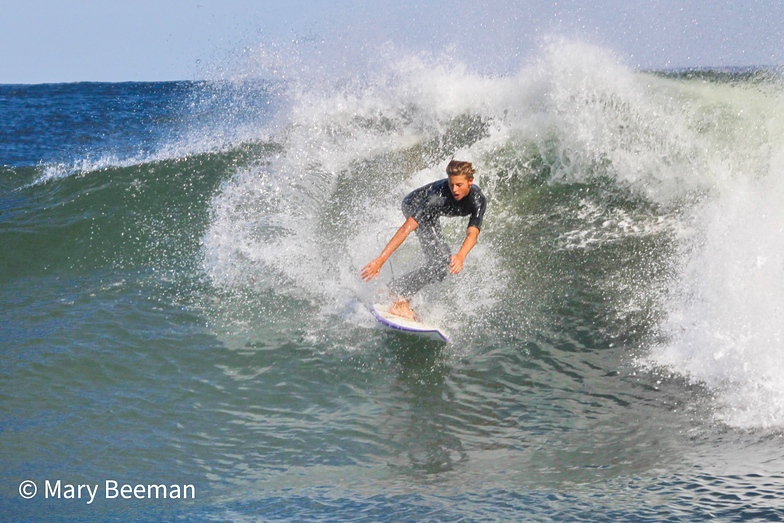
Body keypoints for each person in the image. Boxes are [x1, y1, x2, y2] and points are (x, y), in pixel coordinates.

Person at [360, 160, 486, 320]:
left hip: (431, 213)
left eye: (459, 185)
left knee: (440, 268)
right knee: (440, 262)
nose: (454, 189)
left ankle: (393, 289)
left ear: (470, 181)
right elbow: (406, 228)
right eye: (451, 184)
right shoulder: (438, 197)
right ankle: (400, 300)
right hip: (413, 204)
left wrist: (461, 256)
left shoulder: (478, 200)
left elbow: (472, 233)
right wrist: (381, 260)